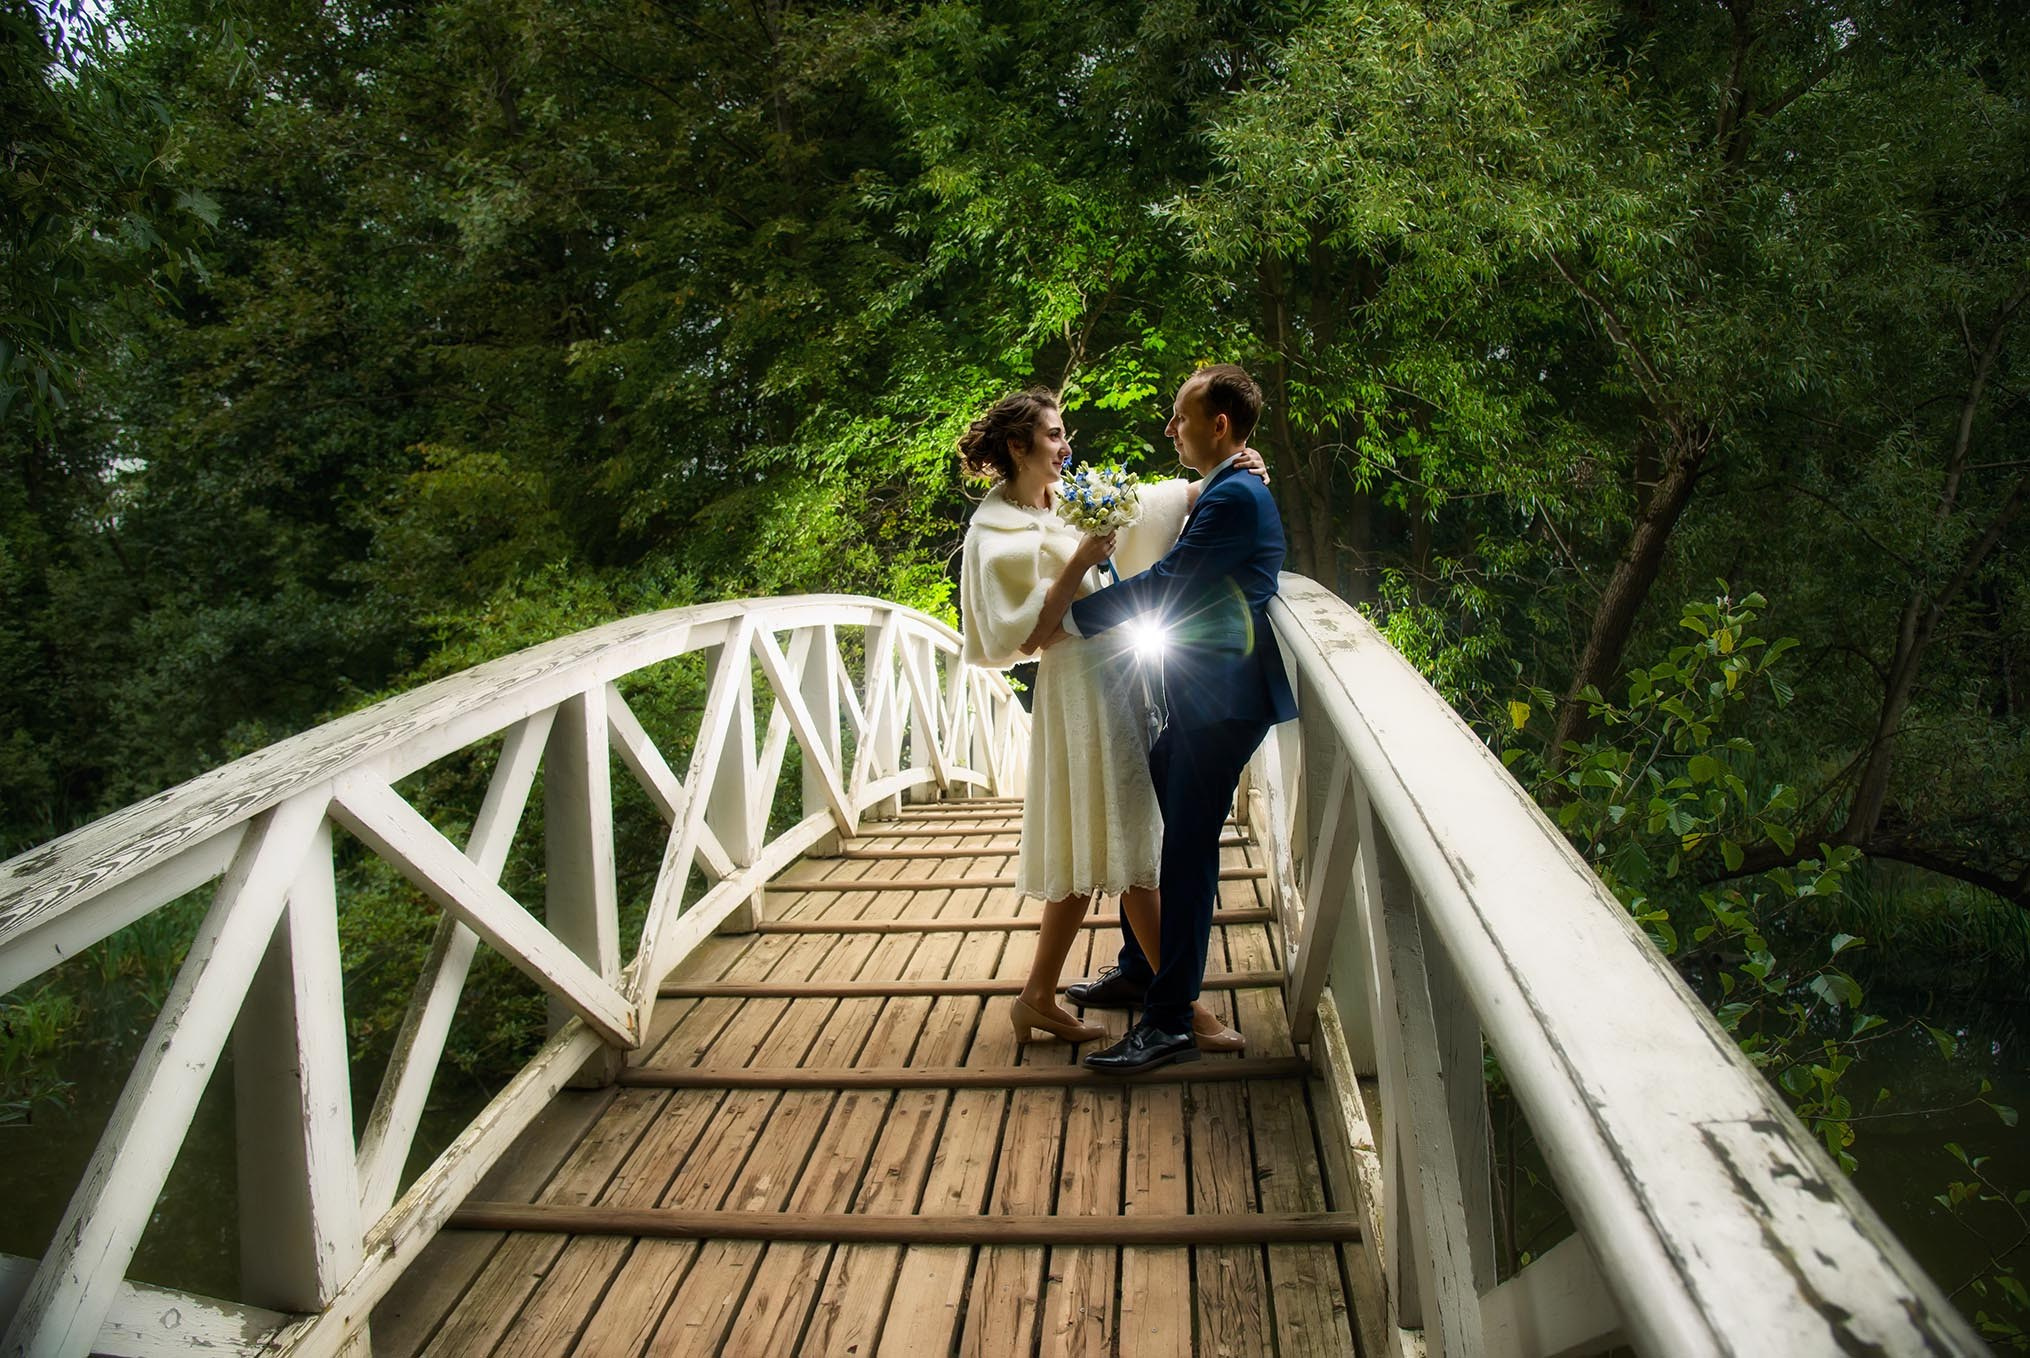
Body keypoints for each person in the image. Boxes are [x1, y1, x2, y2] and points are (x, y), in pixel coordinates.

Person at [957, 388, 1258, 1050]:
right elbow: (1027, 637)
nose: (1067, 447)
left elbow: (1144, 504)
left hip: (1120, 677)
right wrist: (1080, 562)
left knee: (1095, 840)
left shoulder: (1060, 501)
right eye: (1056, 436)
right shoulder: (995, 534)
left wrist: (1221, 471)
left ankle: (1037, 996)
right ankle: (1187, 1010)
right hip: (1078, 690)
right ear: (1019, 447)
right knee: (1132, 851)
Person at [1049, 364, 1298, 1075]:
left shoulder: (1236, 498)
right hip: (1196, 694)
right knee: (1162, 835)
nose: (1169, 429)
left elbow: (1172, 580)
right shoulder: (1227, 485)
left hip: (1219, 703)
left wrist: (1067, 619)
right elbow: (1155, 518)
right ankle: (1139, 969)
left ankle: (1168, 1023)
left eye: (1180, 417)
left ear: (1219, 426)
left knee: (1186, 853)